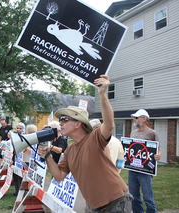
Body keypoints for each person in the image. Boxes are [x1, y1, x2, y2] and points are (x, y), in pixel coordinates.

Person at [38, 75, 132, 212]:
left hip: (116, 203)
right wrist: (47, 156)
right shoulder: (70, 150)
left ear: (77, 124)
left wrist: (103, 94)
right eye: (60, 120)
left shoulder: (94, 138)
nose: (60, 123)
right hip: (93, 207)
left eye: (64, 119)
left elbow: (110, 124)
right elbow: (58, 176)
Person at [129, 109, 162, 213]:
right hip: (132, 170)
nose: (134, 119)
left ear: (144, 119)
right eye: (134, 117)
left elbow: (158, 150)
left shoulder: (152, 133)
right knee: (134, 197)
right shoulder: (133, 133)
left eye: (136, 117)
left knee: (148, 197)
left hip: (145, 171)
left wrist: (158, 155)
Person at [12, 122, 25, 196]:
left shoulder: (25, 137)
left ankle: (22, 191)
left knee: (20, 176)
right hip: (15, 157)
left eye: (20, 128)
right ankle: (16, 190)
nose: (18, 130)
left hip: (22, 158)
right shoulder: (15, 137)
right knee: (15, 175)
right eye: (17, 128)